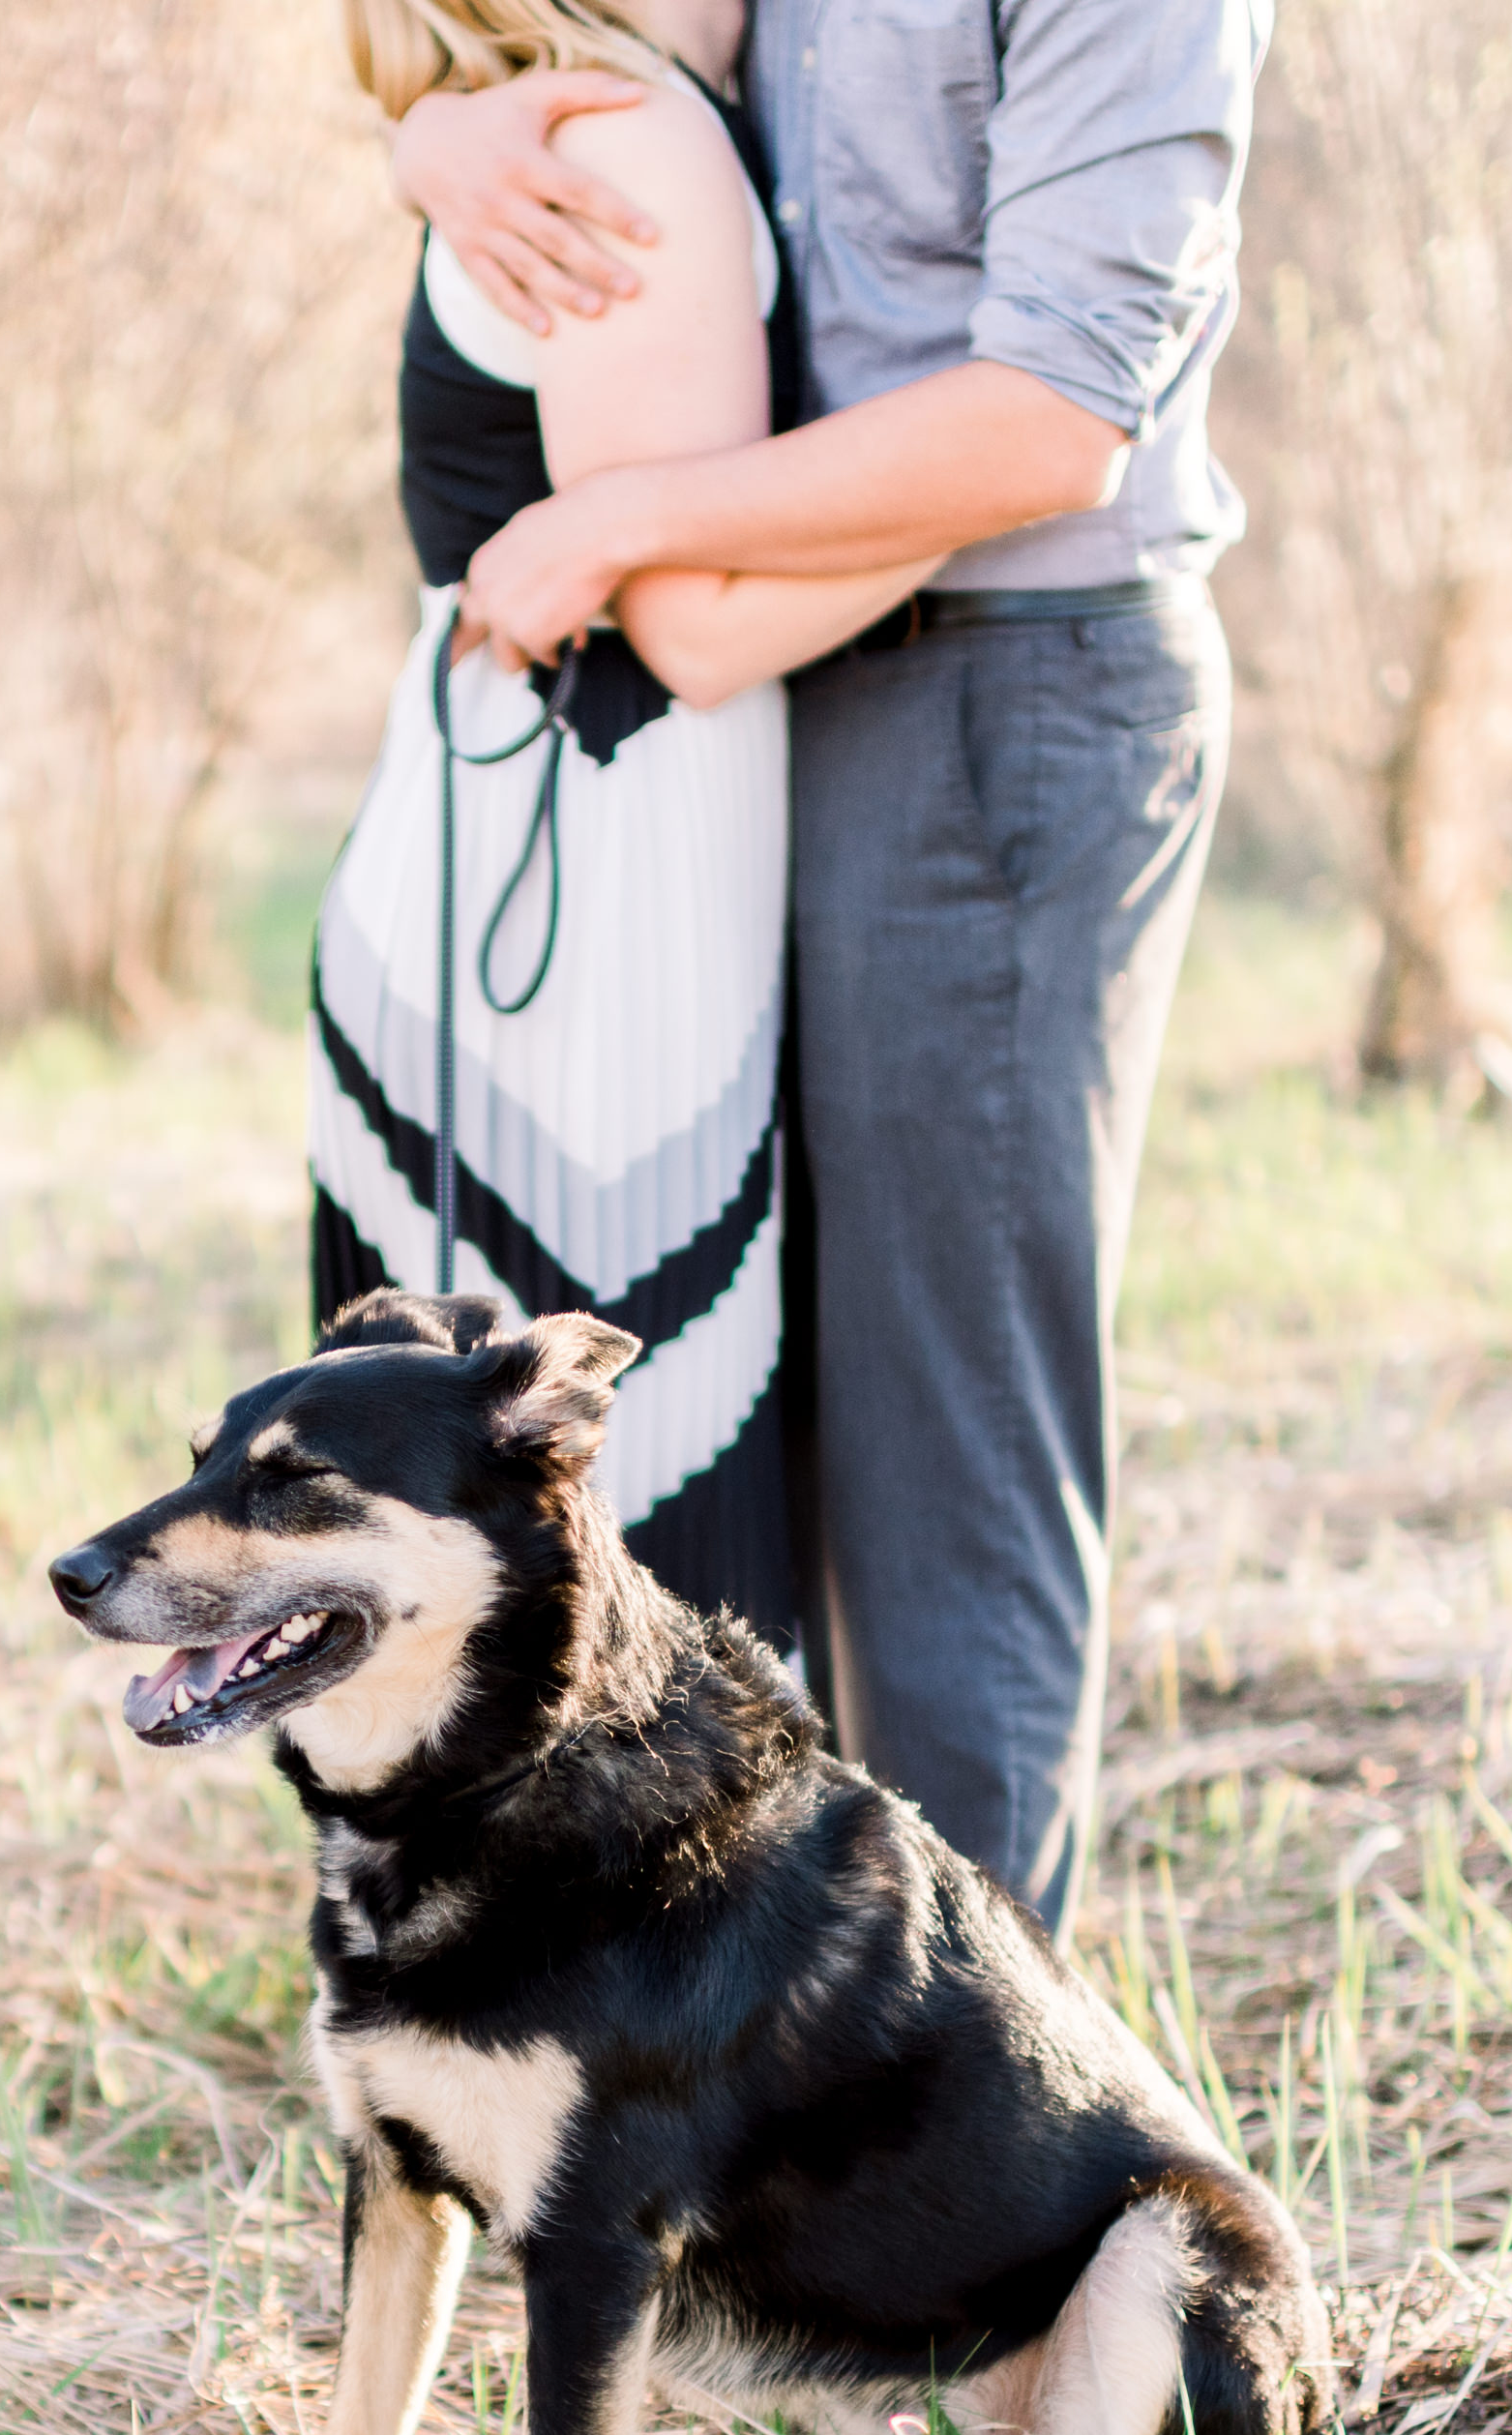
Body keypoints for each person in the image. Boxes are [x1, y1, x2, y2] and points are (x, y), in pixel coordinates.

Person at [394, 0, 1266, 1935]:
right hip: (786, 706)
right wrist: (434, 143)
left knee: (942, 1448)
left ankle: (978, 2118)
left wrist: (622, 518)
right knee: (755, 1426)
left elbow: (1055, 416)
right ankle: (777, 2066)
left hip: (1001, 685)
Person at [315, 0, 940, 1644]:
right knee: (610, 1549)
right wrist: (1016, 471)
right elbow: (695, 631)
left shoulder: (579, 116)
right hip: (581, 916)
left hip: (559, 871)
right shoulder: (622, 135)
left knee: (533, 1553)